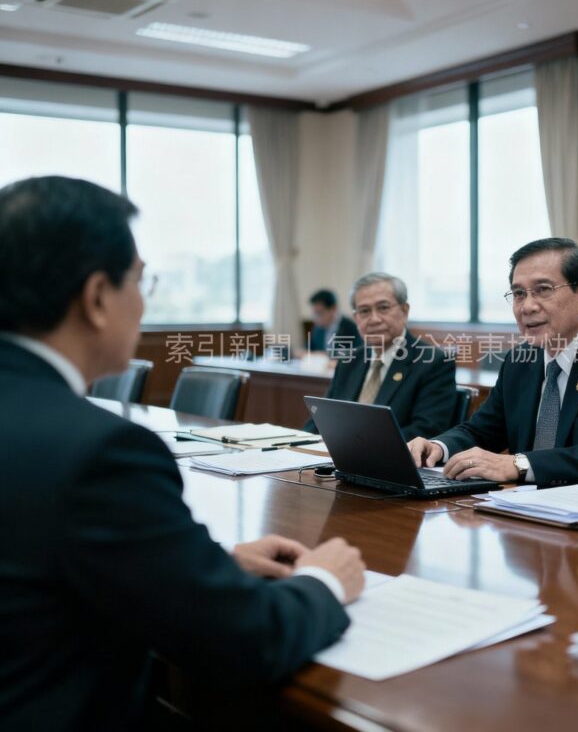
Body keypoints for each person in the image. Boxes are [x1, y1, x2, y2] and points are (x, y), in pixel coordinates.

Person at [0, 176, 365, 731]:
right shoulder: (102, 451)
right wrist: (324, 581)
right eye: (140, 280)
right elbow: (242, 641)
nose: (144, 300)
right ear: (97, 297)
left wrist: (204, 565)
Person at [408, 238, 578, 490]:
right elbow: (482, 431)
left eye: (543, 290)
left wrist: (519, 464)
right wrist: (438, 447)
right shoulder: (520, 360)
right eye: (518, 293)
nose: (527, 306)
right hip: (530, 507)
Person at [305, 272, 455, 441]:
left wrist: (361, 443)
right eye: (364, 311)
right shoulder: (349, 360)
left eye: (383, 308)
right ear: (356, 318)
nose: (374, 319)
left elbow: (427, 430)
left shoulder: (432, 361)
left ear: (404, 311)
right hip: (340, 454)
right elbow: (320, 420)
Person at [306, 288, 359, 354]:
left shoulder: (351, 328)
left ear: (334, 308)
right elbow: (309, 348)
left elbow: (355, 353)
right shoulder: (318, 328)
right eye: (314, 314)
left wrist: (325, 355)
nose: (315, 318)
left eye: (319, 313)